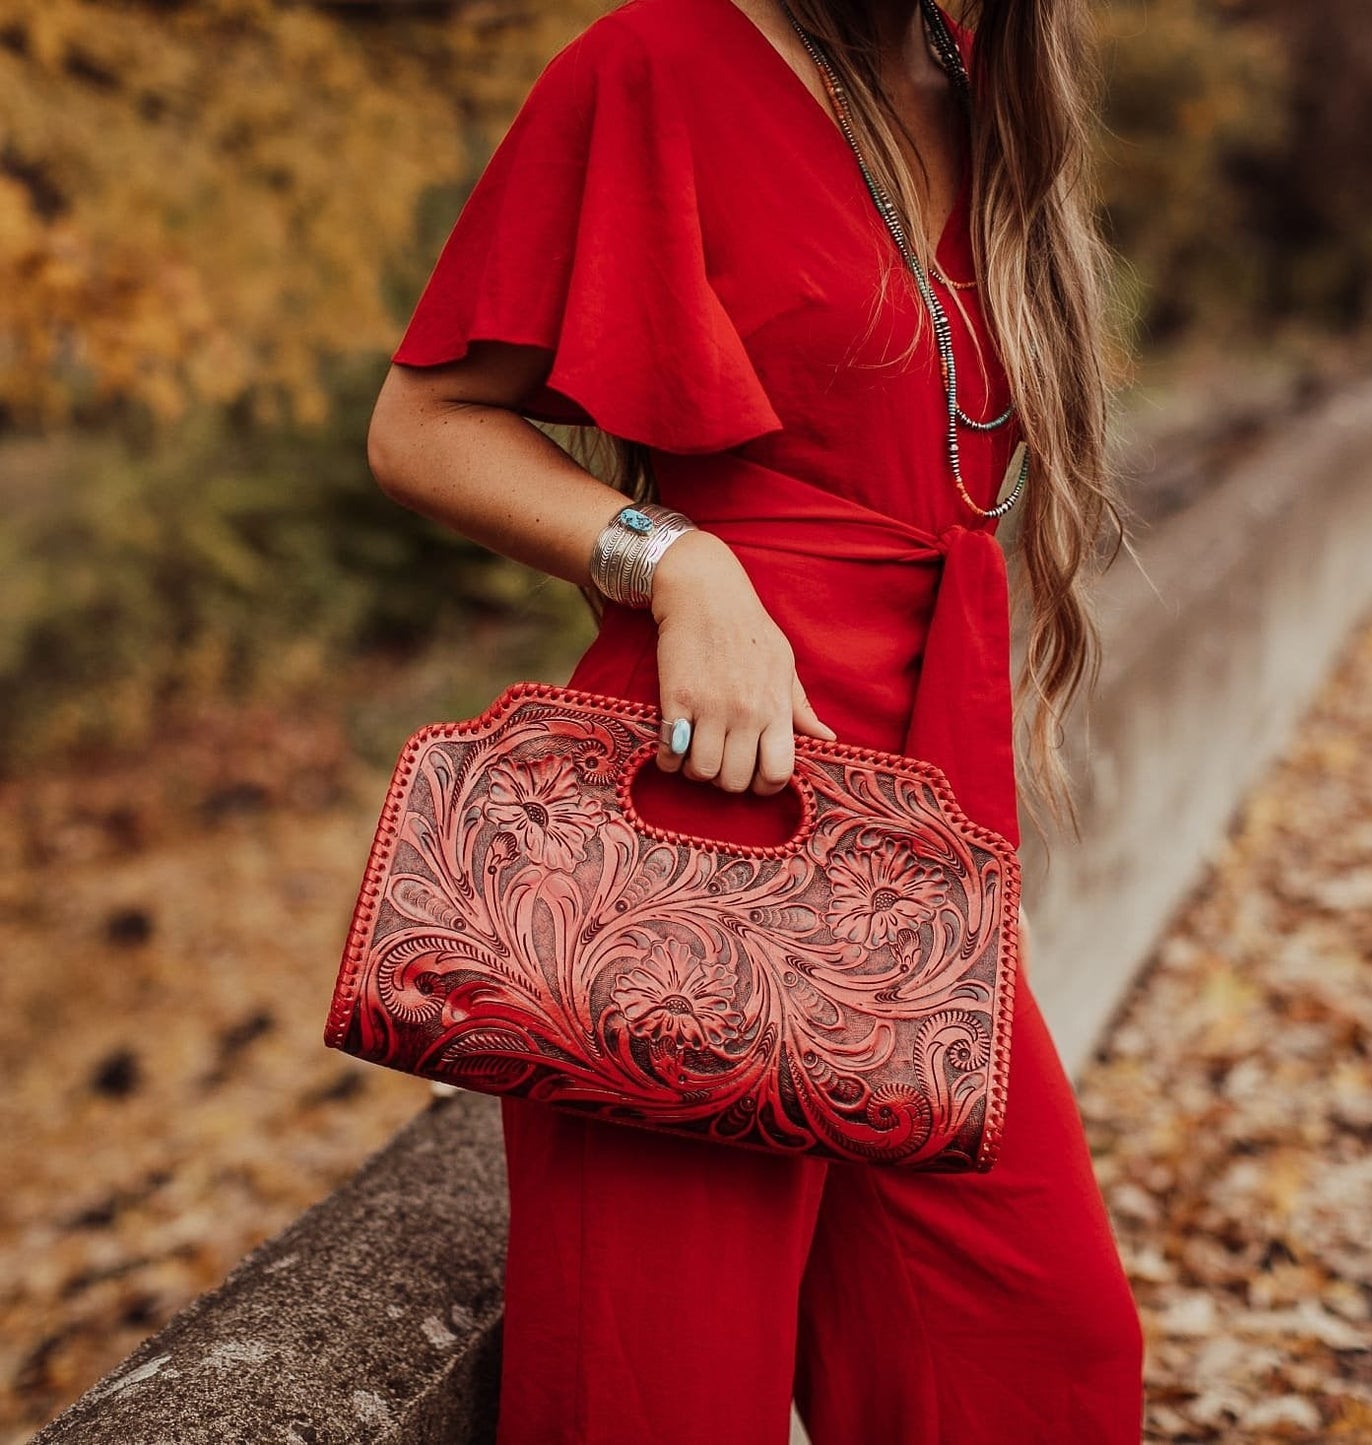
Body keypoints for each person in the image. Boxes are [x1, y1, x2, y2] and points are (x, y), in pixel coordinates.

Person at [364, 0, 1145, 1439]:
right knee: (667, 1396)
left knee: (1036, 1352)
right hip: (703, 827)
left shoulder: (981, 81)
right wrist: (675, 560)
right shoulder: (654, 62)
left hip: (909, 855)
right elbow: (419, 424)